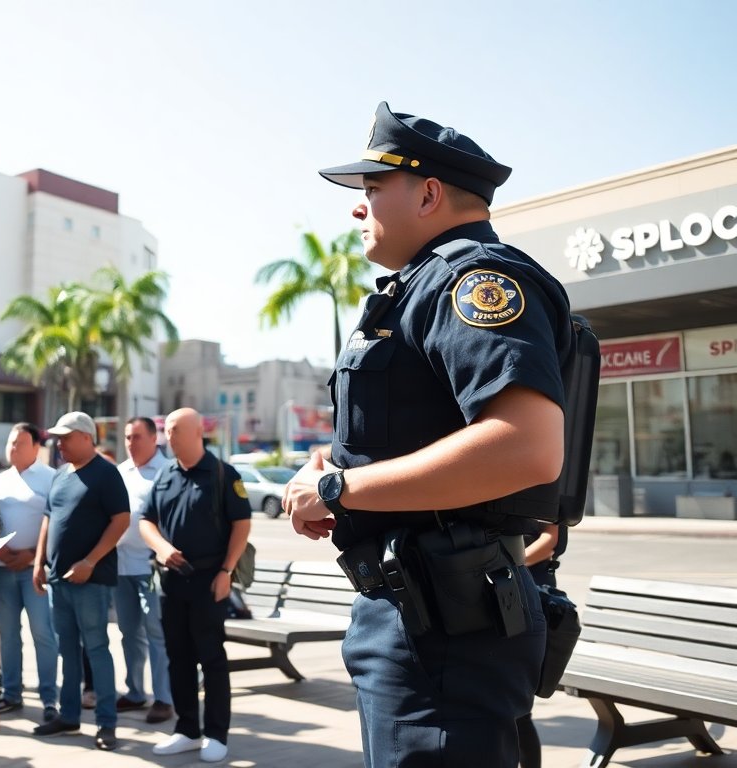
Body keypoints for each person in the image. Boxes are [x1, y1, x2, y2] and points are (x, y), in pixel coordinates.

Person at [283, 102, 570, 766]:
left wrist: (341, 486)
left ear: (430, 193)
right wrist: (338, 475)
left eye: (373, 189)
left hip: (446, 624)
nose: (359, 209)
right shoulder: (418, 289)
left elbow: (526, 444)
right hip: (420, 612)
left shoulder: (473, 279)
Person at [140, 409, 251, 763]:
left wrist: (226, 572)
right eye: (166, 431)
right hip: (172, 582)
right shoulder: (165, 475)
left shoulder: (223, 474)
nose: (167, 436)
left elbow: (242, 525)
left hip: (209, 581)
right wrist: (161, 548)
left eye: (173, 430)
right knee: (178, 658)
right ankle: (187, 729)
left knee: (212, 657)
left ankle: (216, 734)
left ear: (196, 431)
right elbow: (146, 521)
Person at [31, 412, 129, 751]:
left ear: (87, 437)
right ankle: (69, 716)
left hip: (91, 580)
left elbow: (121, 520)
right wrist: (38, 560)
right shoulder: (60, 474)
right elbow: (48, 518)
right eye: (57, 437)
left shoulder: (107, 473)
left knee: (97, 648)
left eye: (66, 437)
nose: (59, 444)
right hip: (58, 580)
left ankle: (106, 723)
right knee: (67, 651)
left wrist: (90, 561)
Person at [0, 423, 60, 720]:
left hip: (36, 572)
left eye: (20, 443)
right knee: (7, 634)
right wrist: (1, 552)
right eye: (11, 442)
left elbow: (57, 523)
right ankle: (11, 693)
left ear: (35, 447)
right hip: (1, 570)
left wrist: (33, 556)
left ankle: (49, 698)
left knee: (43, 632)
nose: (13, 447)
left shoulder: (52, 479)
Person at [113, 416, 173, 723]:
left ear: (154, 439)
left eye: (137, 437)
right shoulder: (119, 472)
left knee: (156, 632)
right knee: (128, 632)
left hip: (152, 568)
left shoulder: (166, 473)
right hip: (121, 566)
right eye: (127, 437)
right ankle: (135, 691)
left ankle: (164, 698)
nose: (130, 443)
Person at [517, 522, 562, 768]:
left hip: (525, 602)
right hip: (495, 599)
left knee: (519, 712)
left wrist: (506, 563)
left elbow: (549, 542)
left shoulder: (542, 486)